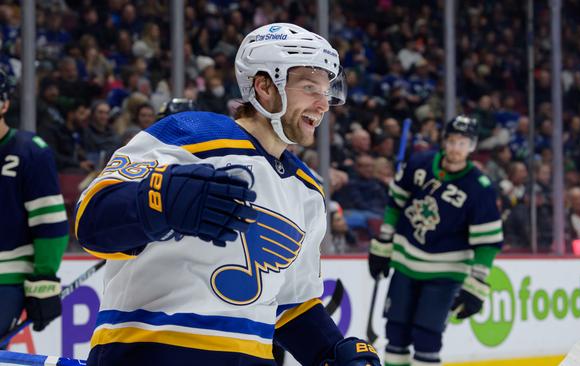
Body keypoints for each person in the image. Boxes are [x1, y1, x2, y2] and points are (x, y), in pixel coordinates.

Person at [75, 23, 380, 366]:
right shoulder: (191, 134)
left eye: (327, 91)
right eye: (310, 88)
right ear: (265, 86)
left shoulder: (307, 189)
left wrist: (329, 352)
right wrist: (159, 201)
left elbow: (291, 302)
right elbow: (91, 221)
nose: (323, 104)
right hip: (150, 353)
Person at [368, 115, 503, 366]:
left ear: (472, 146)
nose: (456, 148)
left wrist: (477, 283)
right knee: (396, 333)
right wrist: (383, 243)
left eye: (463, 143)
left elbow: (487, 242)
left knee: (426, 338)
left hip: (445, 273)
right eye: (452, 141)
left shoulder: (479, 187)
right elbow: (395, 204)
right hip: (406, 264)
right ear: (444, 141)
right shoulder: (420, 163)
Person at [0, 69, 69, 346]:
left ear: (4, 104)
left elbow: (50, 224)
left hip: (7, 280)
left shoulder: (30, 151)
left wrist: (43, 281)